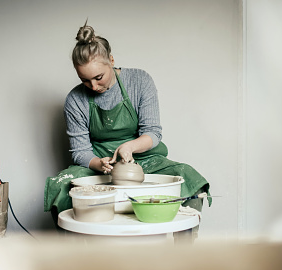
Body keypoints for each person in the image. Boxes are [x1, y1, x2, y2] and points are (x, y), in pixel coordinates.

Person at [44, 22, 211, 224]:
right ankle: (78, 253)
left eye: (99, 77)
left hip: (146, 160)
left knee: (189, 178)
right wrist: (99, 163)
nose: (94, 86)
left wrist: (130, 147)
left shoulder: (139, 81)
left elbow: (153, 133)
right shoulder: (75, 100)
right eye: (85, 80)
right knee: (61, 187)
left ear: (111, 61)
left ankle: (185, 249)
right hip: (101, 165)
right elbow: (80, 151)